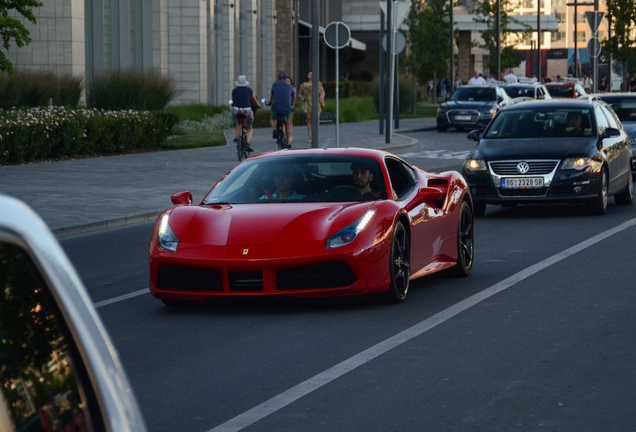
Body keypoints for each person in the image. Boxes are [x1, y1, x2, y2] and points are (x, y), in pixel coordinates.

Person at [231, 75, 260, 151]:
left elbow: (234, 100)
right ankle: (247, 143)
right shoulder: (249, 90)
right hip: (247, 110)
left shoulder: (234, 91)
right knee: (249, 127)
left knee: (238, 122)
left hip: (236, 110)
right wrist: (258, 105)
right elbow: (254, 100)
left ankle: (237, 137)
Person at [297, 70, 325, 144]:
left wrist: (321, 98)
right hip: (307, 103)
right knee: (309, 121)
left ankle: (315, 135)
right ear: (307, 75)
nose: (311, 75)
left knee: (316, 120)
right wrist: (303, 96)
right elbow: (299, 94)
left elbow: (322, 92)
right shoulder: (304, 84)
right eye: (309, 74)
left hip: (316, 102)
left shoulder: (318, 83)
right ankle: (310, 136)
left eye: (312, 74)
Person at [269, 72, 296, 147]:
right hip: (287, 108)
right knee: (287, 124)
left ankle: (274, 129)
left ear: (278, 78)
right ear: (285, 78)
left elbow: (272, 95)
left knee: (272, 118)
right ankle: (288, 142)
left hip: (276, 107)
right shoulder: (290, 87)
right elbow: (294, 96)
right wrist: (292, 103)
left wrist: (270, 102)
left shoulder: (275, 85)